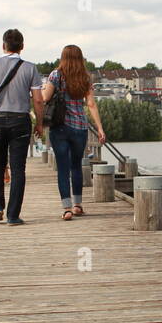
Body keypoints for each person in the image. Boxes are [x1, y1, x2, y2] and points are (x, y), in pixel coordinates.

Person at [0, 28, 44, 224]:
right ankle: (13, 215)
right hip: (20, 121)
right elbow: (38, 100)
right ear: (22, 47)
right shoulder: (30, 68)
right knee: (18, 168)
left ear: (3, 45)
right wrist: (39, 124)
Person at [41, 44, 106, 220]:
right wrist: (99, 128)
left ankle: (67, 209)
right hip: (79, 128)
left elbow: (45, 98)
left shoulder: (56, 75)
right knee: (76, 165)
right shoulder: (85, 77)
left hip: (59, 127)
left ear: (63, 58)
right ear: (80, 58)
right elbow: (91, 104)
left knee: (62, 168)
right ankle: (78, 205)